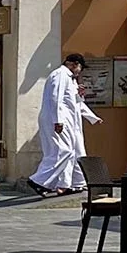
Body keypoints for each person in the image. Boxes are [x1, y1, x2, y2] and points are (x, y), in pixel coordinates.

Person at [27, 54, 89, 197]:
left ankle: (65, 183)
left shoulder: (68, 78)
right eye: (80, 67)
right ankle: (39, 180)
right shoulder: (61, 74)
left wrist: (79, 94)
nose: (80, 71)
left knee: (68, 151)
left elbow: (72, 101)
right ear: (74, 64)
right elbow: (56, 98)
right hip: (58, 119)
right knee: (63, 151)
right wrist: (58, 120)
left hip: (64, 119)